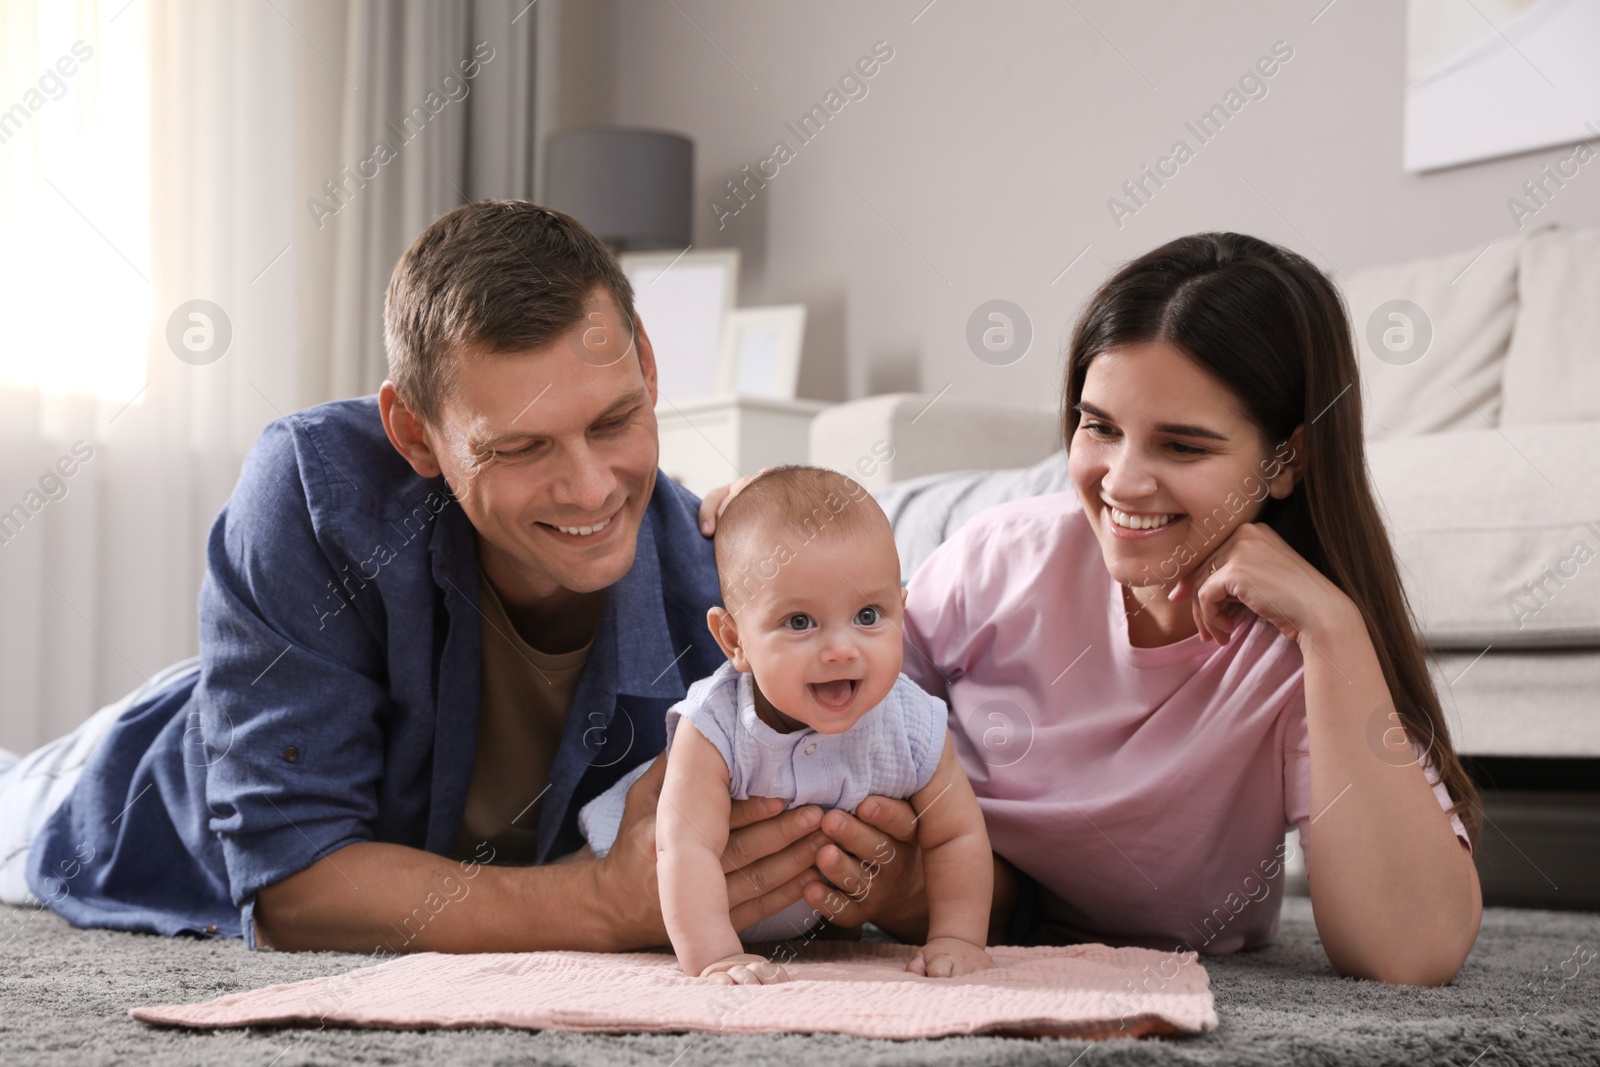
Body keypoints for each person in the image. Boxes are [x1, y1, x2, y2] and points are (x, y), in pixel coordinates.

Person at [0, 201, 837, 953]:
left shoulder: (727, 588)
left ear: (647, 366)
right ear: (414, 431)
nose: (590, 489)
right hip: (139, 779)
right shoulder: (311, 491)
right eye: (520, 446)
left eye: (614, 420)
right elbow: (297, 884)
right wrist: (594, 904)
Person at [704, 233, 1484, 986]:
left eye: (1183, 446)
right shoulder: (1001, 556)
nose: (1122, 482)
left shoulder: (1295, 655)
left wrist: (1333, 624)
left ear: (1286, 460)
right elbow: (797, 706)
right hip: (953, 901)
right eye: (1099, 426)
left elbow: (1410, 954)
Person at [581, 466, 995, 984]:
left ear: (902, 614)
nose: (842, 650)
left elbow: (956, 835)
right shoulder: (713, 728)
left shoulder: (915, 725)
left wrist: (957, 937)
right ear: (734, 641)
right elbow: (684, 849)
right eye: (800, 622)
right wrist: (715, 955)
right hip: (660, 897)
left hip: (803, 916)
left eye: (869, 616)